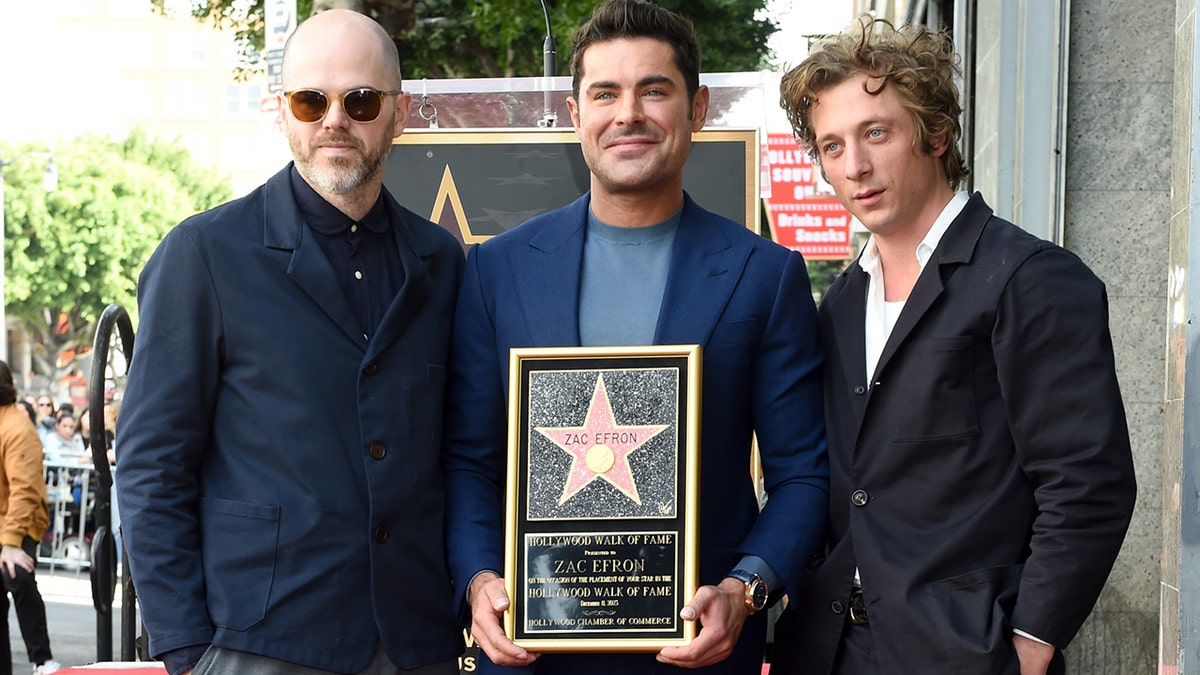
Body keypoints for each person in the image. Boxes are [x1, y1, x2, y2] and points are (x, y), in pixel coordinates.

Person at [441, 1, 828, 672]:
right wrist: (478, 580)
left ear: (697, 107)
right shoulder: (497, 269)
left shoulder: (765, 275)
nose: (629, 114)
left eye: (655, 90)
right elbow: (470, 461)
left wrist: (745, 589)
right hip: (533, 650)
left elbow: (803, 474)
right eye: (605, 93)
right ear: (575, 115)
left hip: (700, 651)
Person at [772, 18, 1137, 675]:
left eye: (876, 132)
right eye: (832, 145)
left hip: (967, 654)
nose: (854, 165)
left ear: (935, 133)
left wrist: (1031, 639)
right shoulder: (842, 300)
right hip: (831, 651)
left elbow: (1088, 483)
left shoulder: (1031, 277)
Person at [115, 9, 464, 675]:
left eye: (361, 101)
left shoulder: (442, 261)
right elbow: (150, 461)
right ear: (282, 112)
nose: (335, 119)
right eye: (312, 100)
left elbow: (461, 452)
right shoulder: (206, 253)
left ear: (399, 113)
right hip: (256, 641)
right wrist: (186, 647)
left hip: (417, 642)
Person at [0, 361, 61, 674]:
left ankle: (43, 661)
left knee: (18, 577)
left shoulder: (17, 429)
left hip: (17, 526)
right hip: (4, 526)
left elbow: (24, 492)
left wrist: (10, 543)